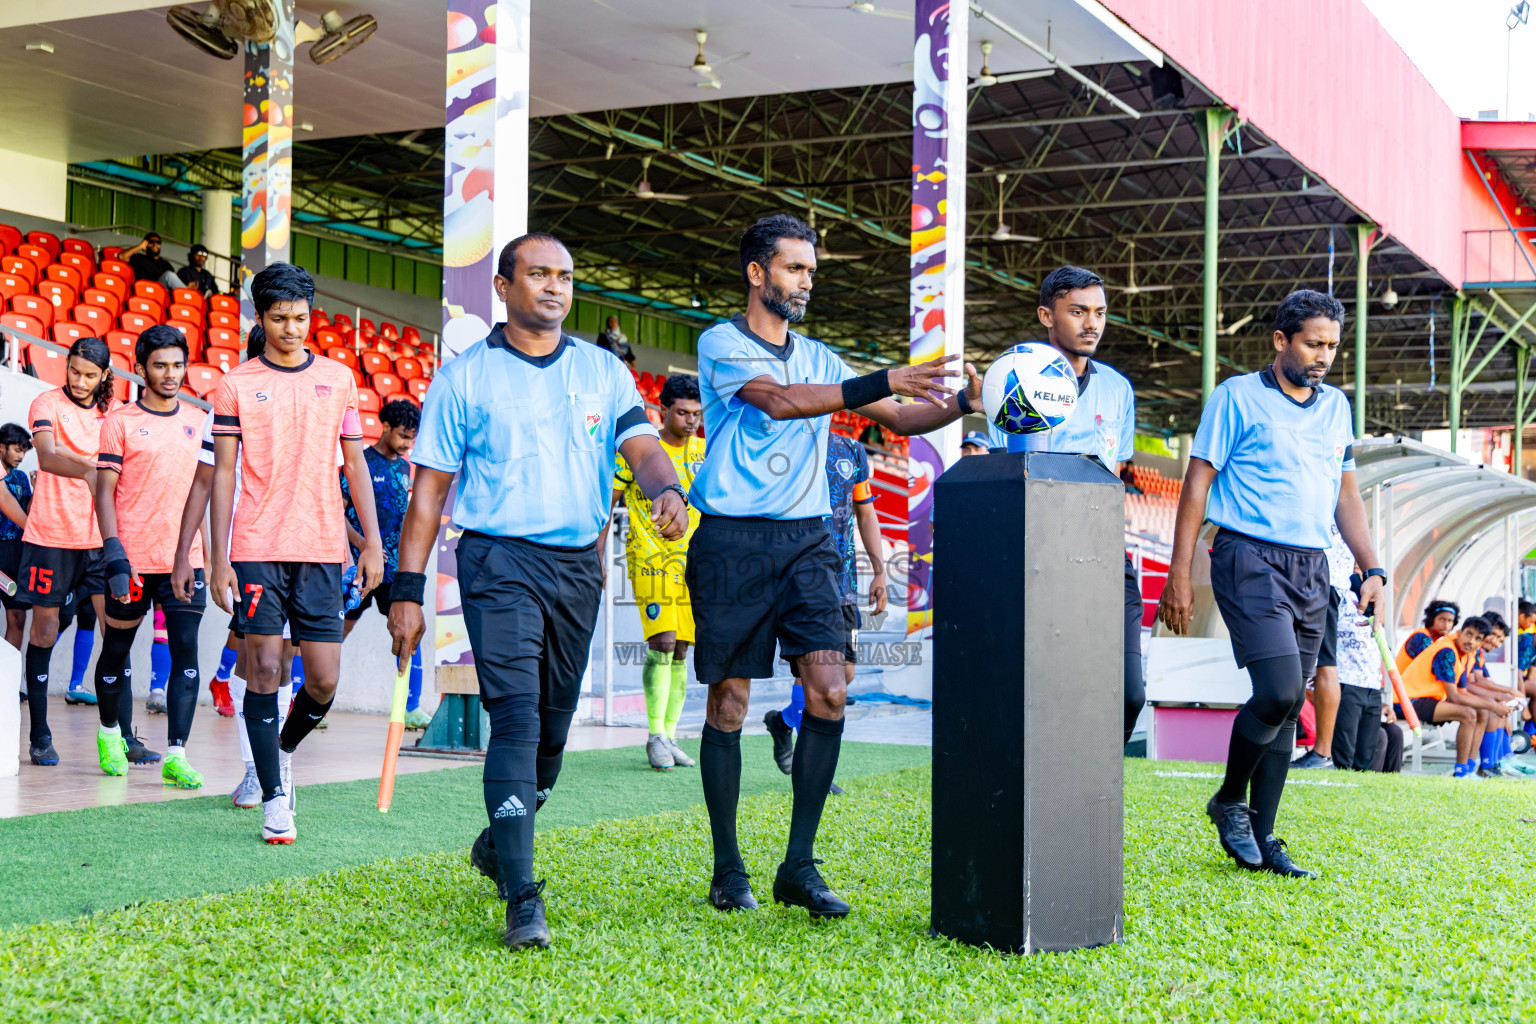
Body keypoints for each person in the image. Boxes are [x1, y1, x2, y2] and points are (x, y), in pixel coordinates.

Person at [386, 232, 688, 951]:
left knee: (553, 731)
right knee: (517, 719)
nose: (555, 287)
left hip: (578, 567)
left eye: (566, 276)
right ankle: (523, 896)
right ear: (503, 286)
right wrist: (406, 589)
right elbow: (429, 493)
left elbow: (641, 446)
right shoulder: (464, 379)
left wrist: (666, 487)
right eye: (540, 274)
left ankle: (499, 842)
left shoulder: (600, 371)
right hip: (496, 563)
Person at [685, 213, 979, 918]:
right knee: (728, 702)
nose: (805, 282)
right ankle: (729, 868)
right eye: (794, 269)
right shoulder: (722, 343)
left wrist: (964, 404)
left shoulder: (821, 356)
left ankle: (799, 865)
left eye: (811, 271)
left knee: (829, 691)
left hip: (810, 542)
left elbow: (902, 420)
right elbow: (779, 403)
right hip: (730, 541)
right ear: (757, 273)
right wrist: (881, 377)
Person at [1158, 289, 1386, 879]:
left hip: (1313, 565)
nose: (1324, 356)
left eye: (1333, 345)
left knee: (1287, 710)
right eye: (1314, 343)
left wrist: (1372, 567)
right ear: (1281, 340)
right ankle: (1229, 798)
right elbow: (1197, 483)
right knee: (1282, 689)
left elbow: (1346, 495)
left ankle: (1263, 838)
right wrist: (1179, 573)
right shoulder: (1236, 396)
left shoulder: (1337, 406)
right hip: (1247, 555)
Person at [173, 262, 385, 844]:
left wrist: (371, 542)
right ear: (259, 319)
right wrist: (216, 559)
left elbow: (357, 464)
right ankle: (273, 798)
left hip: (321, 548)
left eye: (301, 318)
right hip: (257, 548)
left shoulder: (340, 378)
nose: (293, 329)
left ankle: (282, 753)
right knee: (264, 668)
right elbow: (220, 476)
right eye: (280, 319)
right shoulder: (234, 384)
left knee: (322, 680)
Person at [994, 267, 1143, 745]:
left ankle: (1092, 776)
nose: (1092, 323)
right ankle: (1048, 786)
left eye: (1099, 312)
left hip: (1102, 550)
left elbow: (1115, 472)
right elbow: (1008, 471)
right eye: (1078, 311)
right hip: (1037, 552)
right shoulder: (1013, 379)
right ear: (1046, 315)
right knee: (1042, 690)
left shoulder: (1118, 388)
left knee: (1129, 693)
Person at [94, 324, 210, 787]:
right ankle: (108, 734)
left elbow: (206, 494)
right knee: (117, 649)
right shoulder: (119, 422)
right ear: (140, 368)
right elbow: (104, 492)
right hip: (133, 562)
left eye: (178, 365)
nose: (170, 374)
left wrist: (215, 557)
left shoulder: (199, 423)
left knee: (186, 654)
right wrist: (115, 554)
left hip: (186, 561)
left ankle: (177, 755)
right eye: (160, 365)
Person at [16, 337, 119, 766]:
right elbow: (48, 455)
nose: (79, 381)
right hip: (51, 537)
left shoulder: (114, 414)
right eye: (74, 370)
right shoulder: (45, 403)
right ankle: (40, 734)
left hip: (100, 540)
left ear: (105, 376)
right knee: (43, 631)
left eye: (89, 375)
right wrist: (93, 471)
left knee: (117, 630)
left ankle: (121, 736)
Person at [764, 430, 885, 794]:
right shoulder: (786, 443)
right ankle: (812, 767)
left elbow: (865, 513)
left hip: (844, 581)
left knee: (842, 676)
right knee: (813, 675)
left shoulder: (851, 450)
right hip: (799, 579)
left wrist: (879, 571)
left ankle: (784, 722)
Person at [605, 373, 704, 771]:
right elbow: (609, 500)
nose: (691, 420)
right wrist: (595, 553)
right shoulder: (640, 450)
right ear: (663, 410)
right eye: (682, 412)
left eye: (697, 413)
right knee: (661, 642)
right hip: (649, 558)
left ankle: (670, 734)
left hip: (694, 561)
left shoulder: (703, 451)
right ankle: (653, 735)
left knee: (682, 648)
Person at [340, 398, 426, 730]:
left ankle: (412, 707)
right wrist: (362, 545)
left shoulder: (405, 468)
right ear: (385, 427)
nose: (407, 444)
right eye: (403, 435)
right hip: (359, 569)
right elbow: (338, 513)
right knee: (334, 633)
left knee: (408, 634)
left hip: (395, 571)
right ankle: (305, 697)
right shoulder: (358, 462)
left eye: (412, 439)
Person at [1397, 615, 1508, 777]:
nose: (1471, 641)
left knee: (1481, 711)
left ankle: (1470, 768)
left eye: (1477, 638)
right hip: (1406, 701)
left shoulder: (1464, 654)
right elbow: (1455, 697)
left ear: (1480, 643)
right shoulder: (1447, 651)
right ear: (1460, 632)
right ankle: (1461, 772)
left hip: (1424, 701)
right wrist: (1494, 705)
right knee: (1468, 713)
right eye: (1468, 634)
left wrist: (1492, 704)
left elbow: (1462, 691)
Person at [1291, 521, 1354, 770]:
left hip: (1318, 578)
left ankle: (1322, 752)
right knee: (1316, 662)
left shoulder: (1331, 491)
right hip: (1322, 579)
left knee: (1325, 663)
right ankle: (1320, 752)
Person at [0, 423, 33, 652]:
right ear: (2, 446)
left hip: (15, 553)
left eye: (24, 451)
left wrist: (38, 488)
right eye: (17, 449)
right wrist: (33, 529)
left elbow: (28, 510)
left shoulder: (21, 478)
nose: (21, 456)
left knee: (17, 616)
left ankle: (8, 682)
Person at [1396, 600, 1459, 672]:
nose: (1446, 625)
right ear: (1431, 619)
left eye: (1450, 621)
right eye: (1442, 619)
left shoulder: (1433, 641)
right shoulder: (1421, 637)